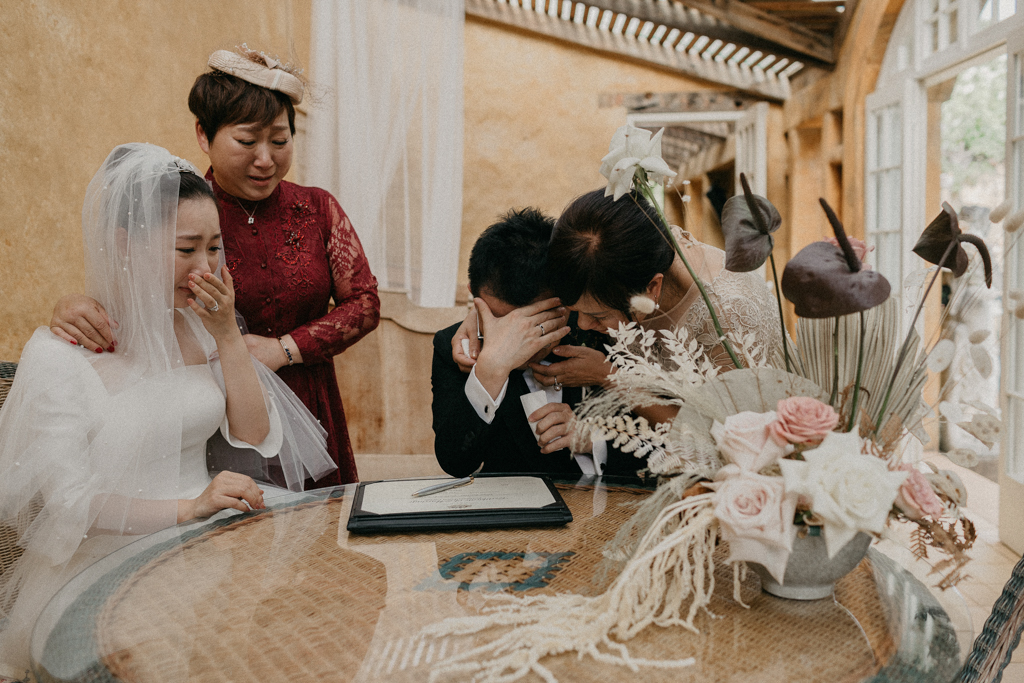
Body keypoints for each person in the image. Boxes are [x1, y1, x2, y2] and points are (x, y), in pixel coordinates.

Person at [0, 144, 335, 675]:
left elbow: (253, 436)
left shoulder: (202, 326)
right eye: (186, 249)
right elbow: (70, 508)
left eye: (215, 248)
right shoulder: (63, 352)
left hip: (208, 538)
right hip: (106, 560)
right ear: (124, 244)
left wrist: (227, 334)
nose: (205, 268)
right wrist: (191, 508)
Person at [50, 46, 380, 487]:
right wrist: (74, 306)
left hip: (310, 395)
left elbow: (365, 301)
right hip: (215, 407)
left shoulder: (317, 208)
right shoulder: (185, 211)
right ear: (204, 136)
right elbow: (136, 285)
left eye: (280, 142)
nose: (266, 159)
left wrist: (285, 348)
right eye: (247, 142)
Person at [432, 208, 643, 478]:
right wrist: (489, 372)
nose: (520, 339)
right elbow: (456, 463)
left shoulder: (604, 326)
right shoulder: (456, 346)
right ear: (475, 298)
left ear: (564, 300)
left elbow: (673, 443)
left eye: (536, 322)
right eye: (502, 323)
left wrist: (595, 439)